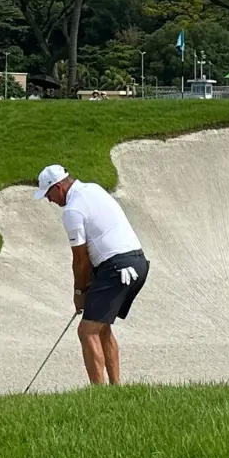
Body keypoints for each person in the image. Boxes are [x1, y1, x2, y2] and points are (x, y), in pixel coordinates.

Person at [35, 164, 150, 385]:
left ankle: (99, 394)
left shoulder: (72, 211)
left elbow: (80, 260)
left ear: (58, 187)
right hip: (137, 262)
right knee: (101, 326)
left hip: (116, 267)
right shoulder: (93, 189)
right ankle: (116, 388)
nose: (49, 200)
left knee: (86, 331)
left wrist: (79, 292)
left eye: (48, 194)